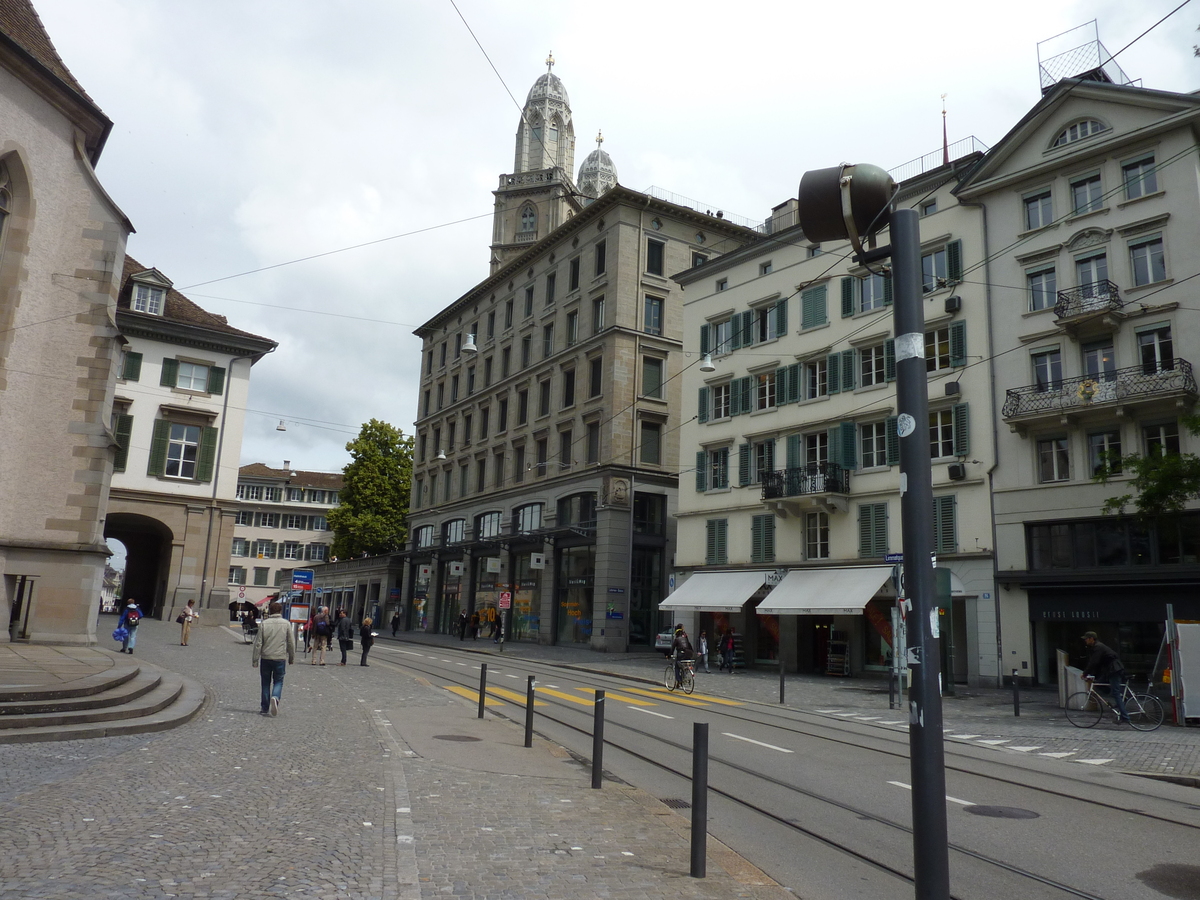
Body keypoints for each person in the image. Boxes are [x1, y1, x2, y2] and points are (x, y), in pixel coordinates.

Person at [252, 600, 295, 717]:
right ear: (280, 611)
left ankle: (264, 708)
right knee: (279, 681)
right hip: (280, 657)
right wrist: (291, 657)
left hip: (266, 657)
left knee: (265, 683)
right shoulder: (286, 624)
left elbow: (258, 643)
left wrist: (255, 659)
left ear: (270, 611)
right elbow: (291, 642)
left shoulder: (264, 624)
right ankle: (275, 697)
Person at [1081, 631, 1129, 722]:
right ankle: (1121, 699)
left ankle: (1125, 717)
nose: (1085, 641)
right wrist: (1091, 674)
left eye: (1086, 639)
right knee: (1098, 683)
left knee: (1115, 693)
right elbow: (1097, 664)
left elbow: (1094, 662)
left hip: (1114, 670)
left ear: (1091, 639)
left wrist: (1085, 673)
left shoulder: (1098, 647)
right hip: (1110, 670)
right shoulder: (1096, 647)